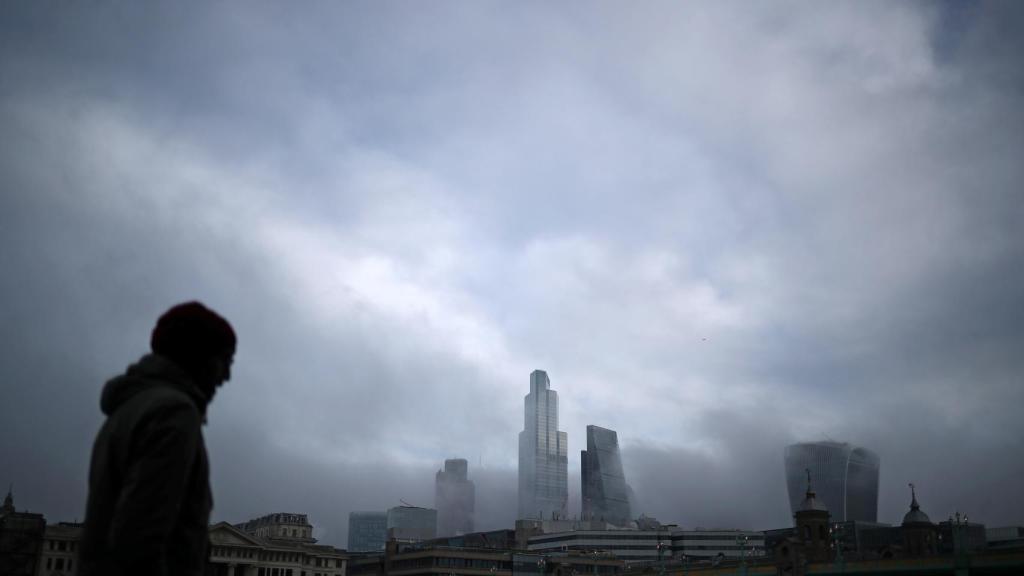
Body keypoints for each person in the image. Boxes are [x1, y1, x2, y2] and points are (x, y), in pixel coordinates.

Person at [80, 301, 236, 576]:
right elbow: (140, 537)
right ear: (197, 355)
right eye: (224, 361)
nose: (226, 376)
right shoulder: (173, 412)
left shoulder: (127, 410)